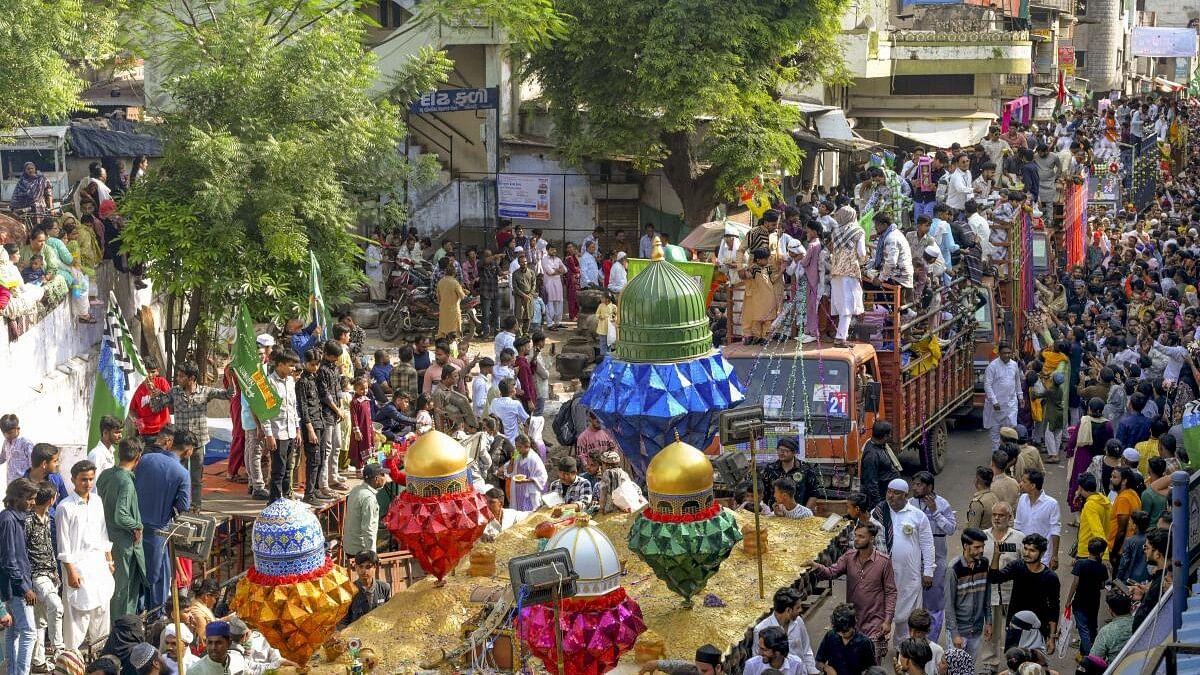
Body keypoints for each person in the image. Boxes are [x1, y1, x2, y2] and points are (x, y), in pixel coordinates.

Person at [147, 361, 235, 511]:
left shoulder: (205, 392)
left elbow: (228, 394)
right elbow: (156, 407)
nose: (178, 379)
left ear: (192, 378)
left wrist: (231, 378)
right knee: (178, 476)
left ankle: (196, 506)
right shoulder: (175, 392)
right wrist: (153, 393)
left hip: (198, 442)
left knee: (196, 478)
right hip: (179, 444)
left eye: (182, 376)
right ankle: (180, 505)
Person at [810, 522, 896, 661]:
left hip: (874, 623)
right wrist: (818, 567)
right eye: (856, 535)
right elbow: (832, 572)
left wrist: (887, 620)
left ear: (872, 539)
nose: (856, 539)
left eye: (861, 536)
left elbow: (891, 592)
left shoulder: (883, 562)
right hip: (852, 622)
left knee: (871, 663)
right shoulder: (849, 557)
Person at [57, 460, 115, 650]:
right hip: (77, 568)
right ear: (73, 480)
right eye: (84, 480)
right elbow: (63, 545)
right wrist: (71, 572)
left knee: (101, 610)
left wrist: (109, 559)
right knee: (77, 617)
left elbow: (103, 532)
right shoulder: (65, 507)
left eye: (91, 479)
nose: (88, 483)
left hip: (98, 564)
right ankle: (71, 658)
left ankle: (100, 658)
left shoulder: (97, 501)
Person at [134, 430, 192, 618]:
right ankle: (155, 619)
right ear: (189, 451)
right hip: (158, 531)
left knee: (136, 576)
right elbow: (183, 506)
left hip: (134, 527)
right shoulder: (182, 473)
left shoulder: (146, 459)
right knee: (158, 579)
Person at [872, 479, 934, 646]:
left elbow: (927, 544)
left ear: (906, 495)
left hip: (909, 575)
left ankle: (903, 647)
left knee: (907, 615)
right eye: (889, 492)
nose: (891, 496)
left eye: (896, 493)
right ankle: (878, 642)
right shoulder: (878, 513)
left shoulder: (917, 515)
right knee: (881, 608)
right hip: (884, 574)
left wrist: (928, 571)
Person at [96, 439, 147, 619]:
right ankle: (121, 629)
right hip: (123, 544)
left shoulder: (105, 475)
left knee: (110, 586)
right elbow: (121, 515)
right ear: (138, 457)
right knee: (123, 590)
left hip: (105, 540)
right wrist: (137, 525)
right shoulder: (126, 482)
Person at [988, 533, 1059, 652]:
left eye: (1032, 550)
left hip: (1037, 629)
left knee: (1033, 666)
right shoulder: (1017, 566)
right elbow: (995, 578)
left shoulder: (1050, 577)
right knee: (1014, 664)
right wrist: (996, 555)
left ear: (1041, 553)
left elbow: (1054, 608)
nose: (1026, 553)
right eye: (1025, 548)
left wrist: (1052, 637)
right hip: (1015, 625)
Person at [910, 471, 956, 640]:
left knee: (934, 603)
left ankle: (931, 640)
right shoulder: (911, 504)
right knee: (914, 600)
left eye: (919, 484)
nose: (915, 487)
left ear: (929, 487)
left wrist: (935, 512)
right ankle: (913, 638)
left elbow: (950, 529)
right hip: (914, 560)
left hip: (936, 561)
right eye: (914, 484)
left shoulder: (942, 504)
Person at [981, 502, 1024, 674]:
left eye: (1001, 515)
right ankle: (990, 665)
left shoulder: (1019, 537)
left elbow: (1025, 563)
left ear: (1010, 517)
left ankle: (1014, 664)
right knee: (991, 631)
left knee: (1014, 631)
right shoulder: (983, 537)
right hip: (991, 594)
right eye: (995, 515)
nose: (997, 518)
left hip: (1013, 593)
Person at [2, 478, 38, 675]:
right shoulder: (8, 520)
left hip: (16, 584)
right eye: (30, 499)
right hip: (16, 587)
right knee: (29, 632)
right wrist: (25, 588)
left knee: (14, 632)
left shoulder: (15, 518)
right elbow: (9, 560)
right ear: (17, 498)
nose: (33, 503)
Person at [27, 480, 63, 673]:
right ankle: (60, 650)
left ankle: (39, 661)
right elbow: (23, 551)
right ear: (52, 499)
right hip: (36, 575)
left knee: (40, 620)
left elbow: (48, 548)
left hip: (50, 574)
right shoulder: (28, 521)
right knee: (57, 607)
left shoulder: (47, 517)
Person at [944, 528, 991, 663]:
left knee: (970, 666)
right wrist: (954, 634)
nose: (981, 550)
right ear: (965, 546)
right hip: (959, 630)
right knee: (956, 669)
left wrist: (989, 621)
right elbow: (948, 605)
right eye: (977, 547)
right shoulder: (953, 569)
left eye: (983, 546)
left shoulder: (984, 564)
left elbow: (987, 595)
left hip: (976, 629)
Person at [262, 349, 300, 503]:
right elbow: (265, 412)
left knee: (289, 468)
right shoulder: (269, 383)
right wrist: (269, 435)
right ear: (280, 365)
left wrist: (297, 430)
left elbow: (293, 406)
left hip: (291, 431)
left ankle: (287, 499)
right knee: (278, 470)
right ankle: (275, 502)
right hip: (278, 433)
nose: (293, 369)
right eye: (291, 365)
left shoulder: (291, 382)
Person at [751, 587, 817, 673]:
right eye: (798, 607)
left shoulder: (799, 622)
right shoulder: (761, 629)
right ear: (788, 610)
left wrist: (813, 672)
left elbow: (806, 650)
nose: (800, 610)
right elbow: (758, 660)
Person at [827, 205, 866, 346]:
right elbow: (861, 253)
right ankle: (841, 338)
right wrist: (863, 261)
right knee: (848, 306)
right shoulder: (858, 231)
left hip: (835, 272)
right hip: (850, 272)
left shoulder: (835, 231)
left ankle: (840, 335)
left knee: (841, 305)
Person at [1065, 538, 1108, 658]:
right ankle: (1086, 652)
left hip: (1080, 601)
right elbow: (1102, 586)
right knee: (1091, 627)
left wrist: (1068, 600)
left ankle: (1089, 656)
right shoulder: (1102, 567)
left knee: (1083, 629)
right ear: (1101, 553)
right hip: (1094, 602)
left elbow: (1075, 583)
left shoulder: (1080, 564)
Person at [1014, 470, 1061, 569]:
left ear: (1033, 485)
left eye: (1024, 481)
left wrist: (1055, 556)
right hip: (1023, 552)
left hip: (1043, 557)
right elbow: (1017, 525)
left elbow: (1055, 531)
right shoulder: (1022, 499)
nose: (1020, 484)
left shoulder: (1052, 504)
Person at [815, 603, 877, 675]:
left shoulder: (864, 643)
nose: (842, 634)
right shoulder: (830, 636)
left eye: (846, 631)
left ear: (854, 624)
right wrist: (826, 668)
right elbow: (818, 662)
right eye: (839, 631)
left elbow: (872, 670)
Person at [760, 438, 820, 509]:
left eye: (786, 451)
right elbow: (762, 491)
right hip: (774, 513)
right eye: (779, 450)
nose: (781, 453)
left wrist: (805, 512)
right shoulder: (770, 469)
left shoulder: (805, 469)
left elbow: (814, 493)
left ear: (794, 452)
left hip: (798, 514)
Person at [339, 551, 392, 629]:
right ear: (356, 567)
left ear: (375, 567)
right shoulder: (348, 591)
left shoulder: (385, 588)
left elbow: (390, 615)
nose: (364, 571)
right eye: (361, 566)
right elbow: (343, 622)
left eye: (368, 567)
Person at [985, 343, 1024, 451]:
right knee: (995, 433)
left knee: (1010, 432)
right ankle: (996, 456)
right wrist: (994, 401)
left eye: (1008, 353)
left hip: (1010, 404)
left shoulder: (1014, 365)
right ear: (999, 353)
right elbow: (987, 385)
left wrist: (1020, 396)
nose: (1007, 355)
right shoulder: (992, 366)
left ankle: (1009, 455)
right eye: (1004, 353)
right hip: (996, 407)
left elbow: (1017, 381)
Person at [343, 464, 385, 557]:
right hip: (360, 551)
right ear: (376, 479)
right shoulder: (369, 498)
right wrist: (371, 554)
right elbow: (368, 529)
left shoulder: (356, 490)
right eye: (383, 475)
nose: (385, 478)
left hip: (350, 546)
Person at [859, 421, 901, 509]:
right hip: (881, 499)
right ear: (885, 436)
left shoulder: (879, 445)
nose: (890, 436)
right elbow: (871, 484)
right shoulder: (872, 456)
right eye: (889, 434)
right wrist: (879, 505)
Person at [1107, 467, 1141, 568]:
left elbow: (1122, 530)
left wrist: (1114, 554)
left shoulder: (1123, 499)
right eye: (1111, 476)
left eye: (1115, 477)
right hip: (1125, 547)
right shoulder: (1132, 493)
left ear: (1124, 481)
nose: (1111, 479)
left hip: (1119, 549)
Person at [504, 434, 546, 512]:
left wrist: (526, 481)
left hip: (529, 493)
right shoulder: (517, 455)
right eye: (516, 447)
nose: (517, 449)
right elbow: (509, 471)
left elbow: (542, 476)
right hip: (517, 490)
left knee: (527, 514)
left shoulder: (533, 459)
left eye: (519, 447)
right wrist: (512, 459)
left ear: (527, 446)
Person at [1088, 591, 1134, 664]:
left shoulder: (1106, 631)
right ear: (1131, 607)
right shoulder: (1142, 624)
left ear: (1110, 610)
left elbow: (1094, 659)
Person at [1075, 473, 1111, 561]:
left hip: (1088, 553)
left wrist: (1105, 555)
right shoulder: (1104, 500)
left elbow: (1098, 531)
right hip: (1097, 551)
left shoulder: (1090, 505)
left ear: (1081, 488)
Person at [638, 644, 725, 675]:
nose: (699, 673)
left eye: (704, 671)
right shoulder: (700, 670)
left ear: (718, 668)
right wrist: (656, 664)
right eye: (697, 668)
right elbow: (682, 666)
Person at [1, 413, 34, 485]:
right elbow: (2, 458)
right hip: (11, 484)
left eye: (10, 433)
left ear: (18, 429)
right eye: (4, 433)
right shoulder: (6, 442)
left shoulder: (26, 443)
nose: (6, 435)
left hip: (24, 484)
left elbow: (33, 465)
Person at [89, 415, 124, 480]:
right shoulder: (96, 455)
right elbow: (94, 486)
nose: (120, 436)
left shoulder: (110, 452)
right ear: (105, 433)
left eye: (120, 432)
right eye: (117, 432)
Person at [965, 466, 999, 531]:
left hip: (981, 538)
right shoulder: (994, 496)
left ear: (978, 480)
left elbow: (973, 528)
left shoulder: (977, 503)